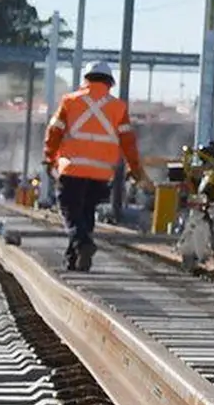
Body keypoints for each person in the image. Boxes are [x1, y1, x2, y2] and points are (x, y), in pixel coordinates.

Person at [42, 66, 151, 271]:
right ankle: (74, 259)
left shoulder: (70, 101)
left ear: (86, 79)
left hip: (72, 168)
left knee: (71, 210)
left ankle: (83, 244)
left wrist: (49, 158)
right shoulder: (118, 107)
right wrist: (135, 169)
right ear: (109, 82)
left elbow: (54, 132)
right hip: (101, 172)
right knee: (86, 212)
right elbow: (128, 142)